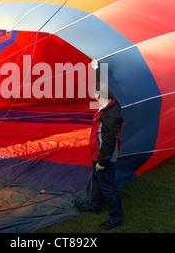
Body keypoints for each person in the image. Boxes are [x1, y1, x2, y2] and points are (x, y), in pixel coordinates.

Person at [80, 59, 124, 230]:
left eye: (95, 93)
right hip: (96, 154)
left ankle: (115, 219)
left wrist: (102, 161)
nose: (94, 95)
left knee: (109, 187)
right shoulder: (109, 102)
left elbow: (108, 141)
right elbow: (102, 85)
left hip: (103, 156)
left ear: (99, 96)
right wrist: (97, 69)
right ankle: (95, 206)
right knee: (97, 182)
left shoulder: (111, 116)